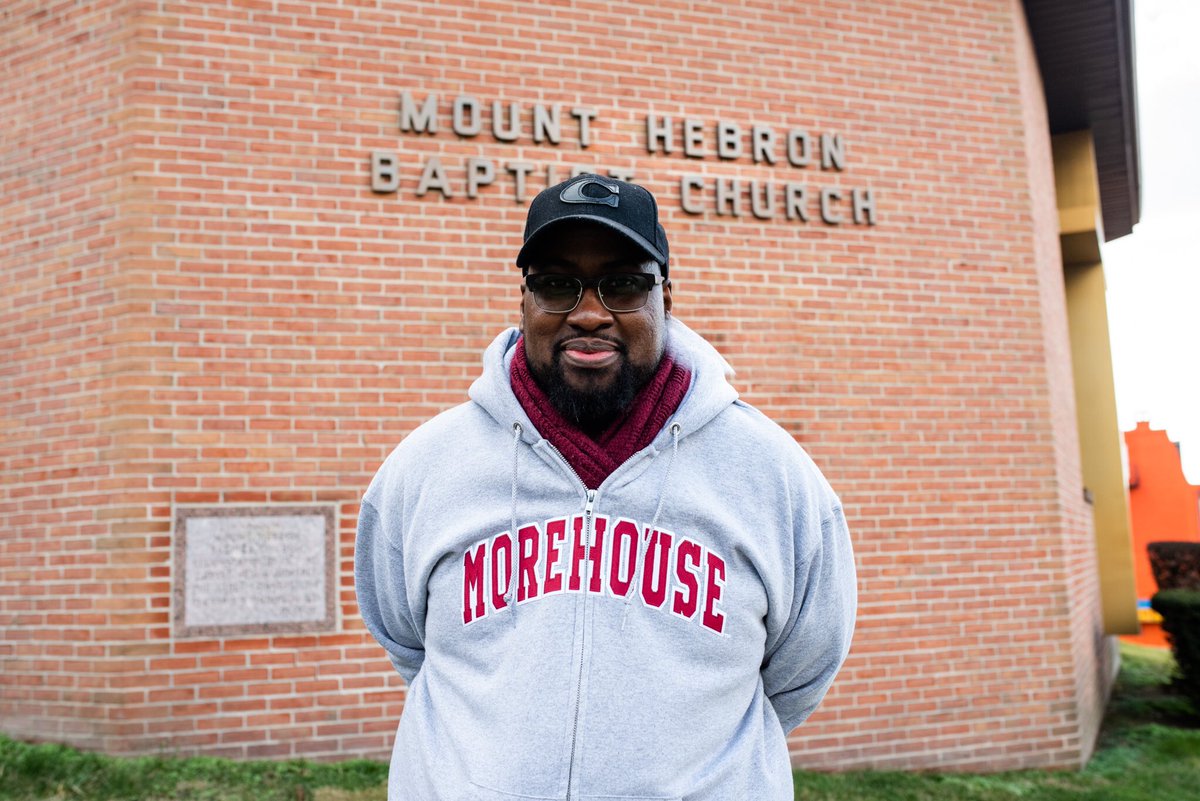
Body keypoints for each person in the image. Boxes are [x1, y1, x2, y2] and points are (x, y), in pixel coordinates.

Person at [355, 174, 856, 800]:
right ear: (525, 299)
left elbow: (802, 669)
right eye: (557, 285)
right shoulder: (426, 468)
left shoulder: (773, 476)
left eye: (623, 284)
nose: (589, 314)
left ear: (665, 297)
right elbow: (406, 640)